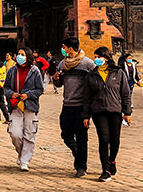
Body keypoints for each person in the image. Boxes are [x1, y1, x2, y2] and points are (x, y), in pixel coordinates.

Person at [83, 46, 132, 182]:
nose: (97, 59)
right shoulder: (92, 75)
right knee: (103, 139)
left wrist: (127, 112)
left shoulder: (118, 73)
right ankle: (105, 169)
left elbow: (125, 94)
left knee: (114, 140)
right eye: (95, 57)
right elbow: (86, 97)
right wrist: (86, 115)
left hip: (115, 110)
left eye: (99, 57)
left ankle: (112, 161)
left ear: (106, 58)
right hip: (98, 111)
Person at [52, 37, 95, 178]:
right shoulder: (63, 64)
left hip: (81, 106)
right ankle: (78, 155)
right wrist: (57, 79)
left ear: (70, 48)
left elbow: (95, 83)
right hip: (67, 104)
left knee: (82, 137)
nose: (63, 49)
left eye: (64, 47)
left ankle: (82, 166)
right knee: (66, 135)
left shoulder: (88, 64)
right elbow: (59, 84)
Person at [3, 47, 44, 172]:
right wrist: (11, 94)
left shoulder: (34, 71)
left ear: (28, 56)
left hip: (30, 106)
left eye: (22, 54)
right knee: (15, 133)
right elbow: (6, 88)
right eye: (18, 54)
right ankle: (21, 154)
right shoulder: (12, 71)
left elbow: (39, 89)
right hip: (16, 106)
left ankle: (25, 160)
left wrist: (28, 95)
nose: (19, 56)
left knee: (29, 134)